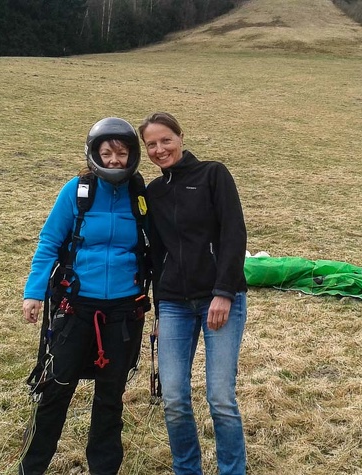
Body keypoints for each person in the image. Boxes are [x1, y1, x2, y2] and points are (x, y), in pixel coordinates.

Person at [18, 117, 150, 475]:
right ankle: (32, 468)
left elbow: (159, 248)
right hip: (75, 308)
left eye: (121, 153)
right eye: (106, 152)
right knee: (55, 391)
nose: (113, 160)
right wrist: (33, 292)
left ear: (132, 155)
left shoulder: (141, 196)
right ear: (93, 154)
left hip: (124, 313)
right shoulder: (76, 192)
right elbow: (49, 242)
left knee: (111, 399)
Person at [138, 112, 248, 475]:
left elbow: (234, 233)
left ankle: (232, 471)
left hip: (220, 299)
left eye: (165, 140)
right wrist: (157, 314)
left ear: (181, 137)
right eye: (151, 144)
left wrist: (224, 292)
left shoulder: (213, 174)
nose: (159, 149)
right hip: (173, 304)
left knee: (220, 398)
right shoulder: (154, 192)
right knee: (173, 398)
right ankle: (187, 470)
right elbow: (156, 254)